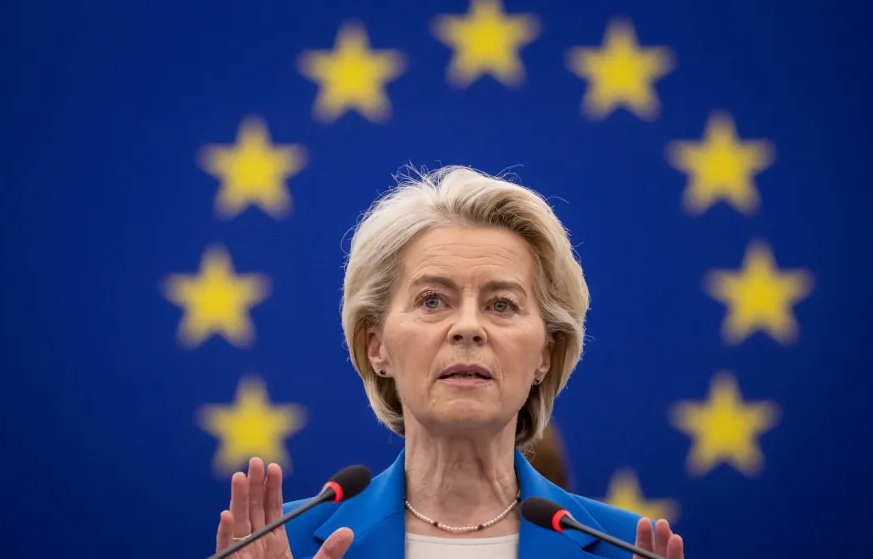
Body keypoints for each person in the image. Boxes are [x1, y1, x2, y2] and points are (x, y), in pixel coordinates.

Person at [213, 166, 685, 559]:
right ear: (376, 346)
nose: (468, 327)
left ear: (546, 353)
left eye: (502, 305)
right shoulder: (281, 543)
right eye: (433, 300)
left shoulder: (627, 547)